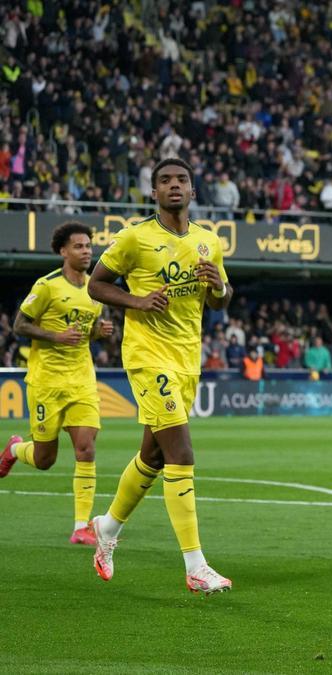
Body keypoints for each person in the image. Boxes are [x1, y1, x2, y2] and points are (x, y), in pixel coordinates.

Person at [86, 157, 234, 595]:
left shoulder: (209, 242)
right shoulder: (134, 238)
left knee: (152, 455)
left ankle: (107, 526)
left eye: (182, 180)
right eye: (165, 181)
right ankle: (195, 565)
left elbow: (222, 301)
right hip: (148, 356)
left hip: (188, 358)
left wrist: (219, 288)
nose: (174, 186)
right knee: (181, 453)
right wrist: (136, 301)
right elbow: (97, 285)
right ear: (153, 193)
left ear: (192, 190)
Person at [0, 222, 114, 545]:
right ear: (63, 251)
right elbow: (19, 325)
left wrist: (98, 333)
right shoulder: (46, 285)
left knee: (86, 448)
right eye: (78, 246)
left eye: (89, 246)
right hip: (47, 381)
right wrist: (55, 336)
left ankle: (81, 526)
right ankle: (14, 449)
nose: (86, 251)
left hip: (81, 378)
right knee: (45, 459)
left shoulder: (95, 289)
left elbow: (86, 333)